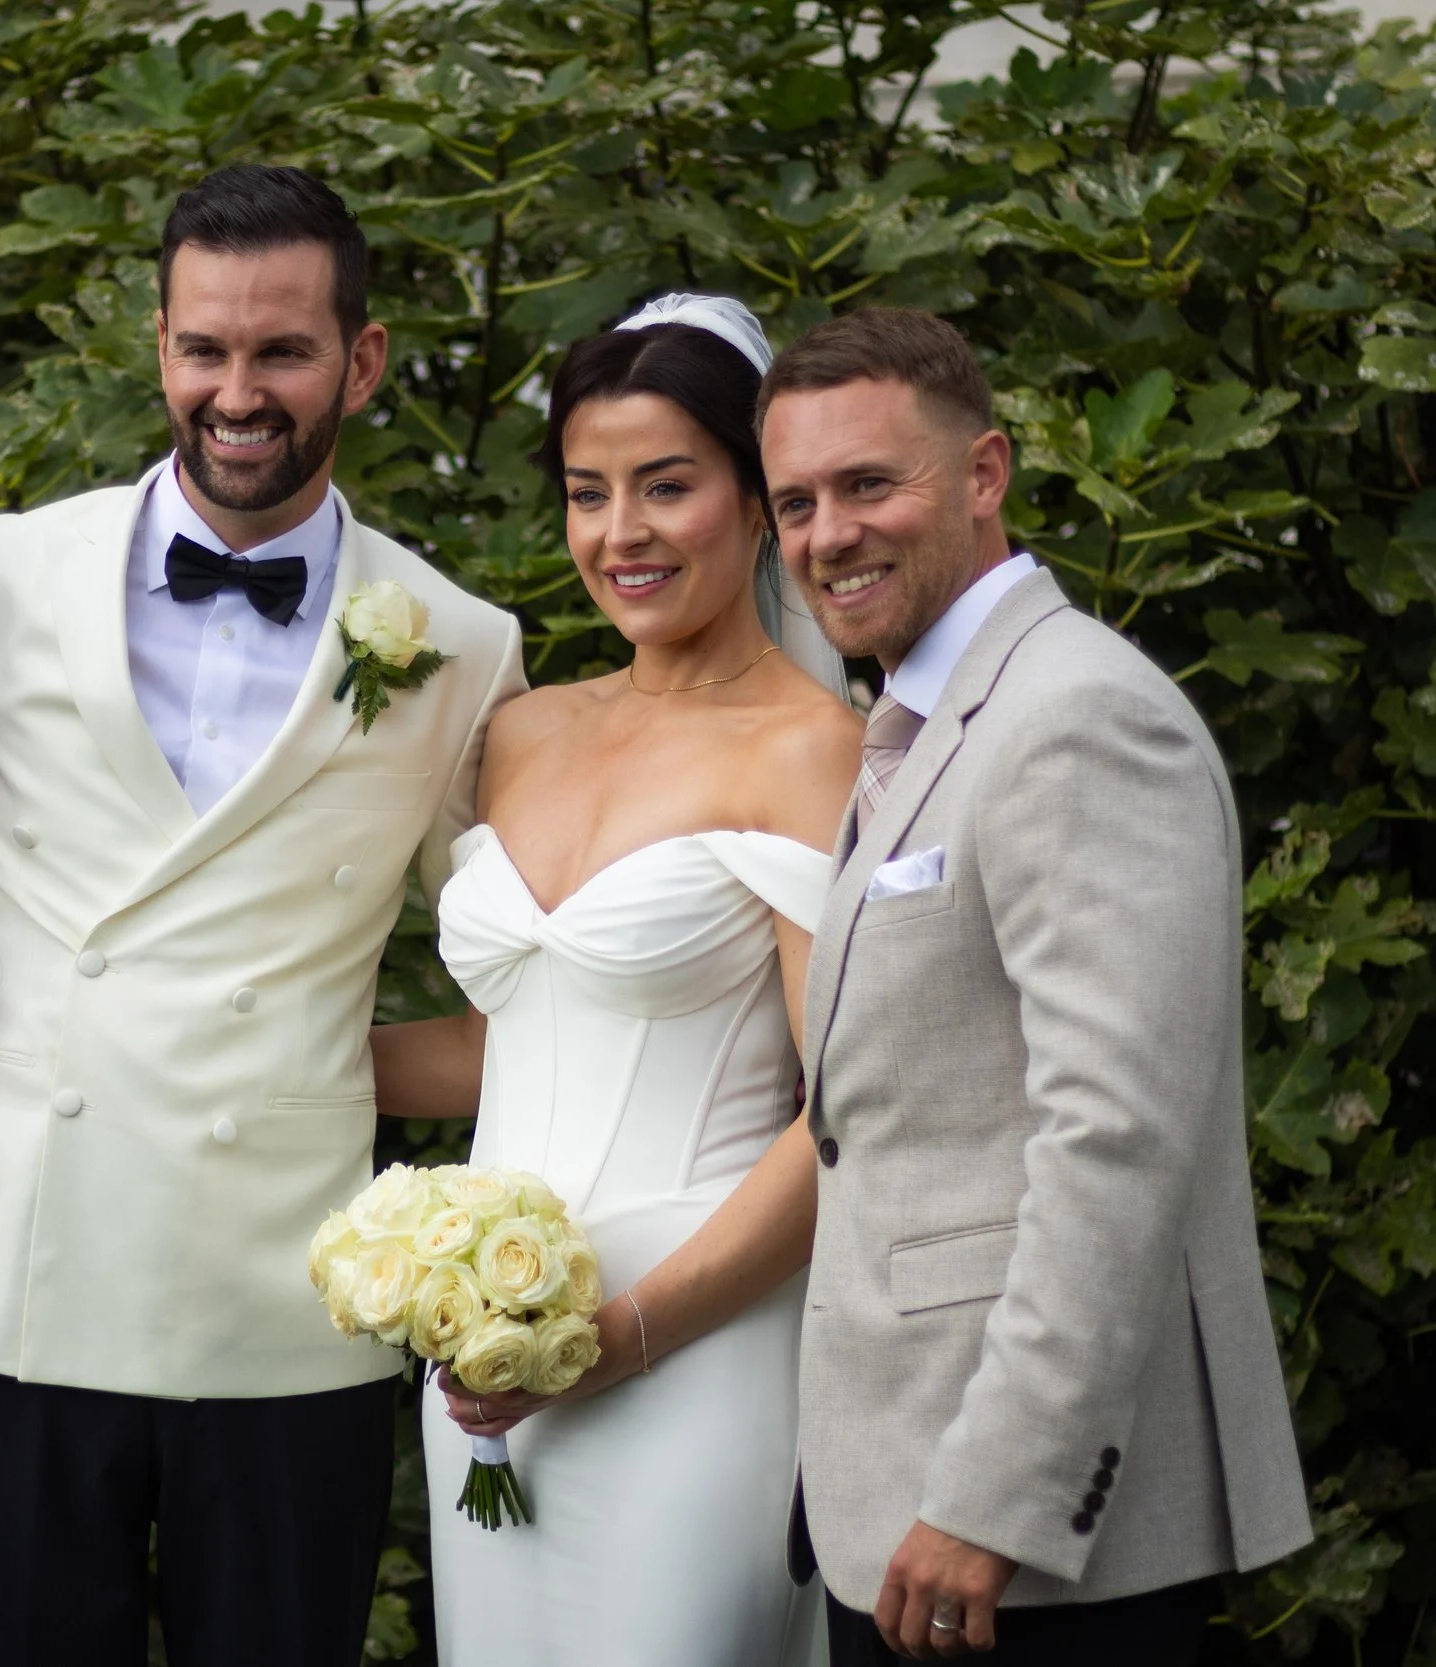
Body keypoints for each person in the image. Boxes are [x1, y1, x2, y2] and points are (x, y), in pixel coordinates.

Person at [0, 164, 525, 1667]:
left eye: (283, 352)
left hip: (288, 1297)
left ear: (361, 363)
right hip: (24, 1283)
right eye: (206, 349)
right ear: (160, 346)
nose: (237, 392)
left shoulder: (456, 644)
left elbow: (531, 976)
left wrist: (333, 1079)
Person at [758, 307, 1312, 1664]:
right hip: (903, 1503)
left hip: (1030, 1548)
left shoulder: (1077, 717)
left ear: (986, 473)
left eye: (870, 483)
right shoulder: (930, 719)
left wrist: (994, 1493)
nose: (830, 532)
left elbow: (1115, 1140)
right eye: (796, 501)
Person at [369, 295, 860, 1664]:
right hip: (484, 1360)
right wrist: (270, 1052)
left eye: (666, 486)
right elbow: (505, 1044)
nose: (620, 533)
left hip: (695, 1350)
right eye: (589, 492)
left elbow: (845, 1116)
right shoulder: (522, 730)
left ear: (759, 499)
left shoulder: (813, 750)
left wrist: (626, 1332)